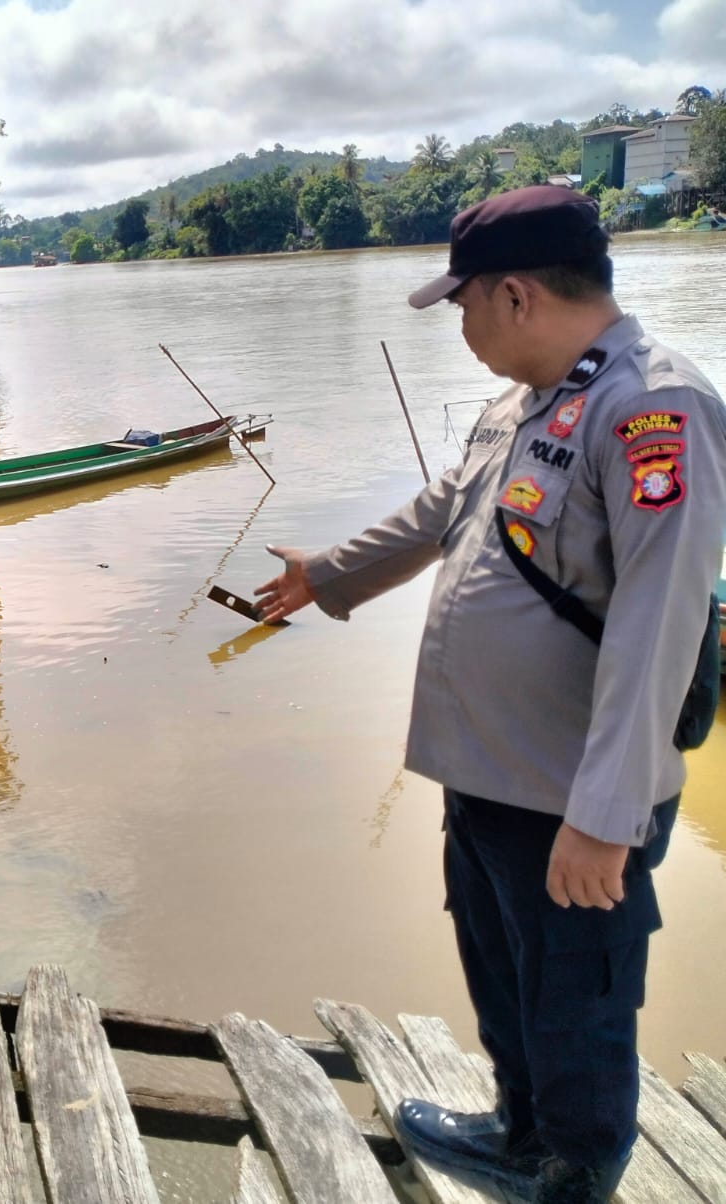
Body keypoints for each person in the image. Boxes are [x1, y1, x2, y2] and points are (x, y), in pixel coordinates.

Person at [256, 185, 726, 1203]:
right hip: (488, 770)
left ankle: (575, 1170)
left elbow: (659, 624)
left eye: (463, 304)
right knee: (504, 968)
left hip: (571, 790)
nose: (461, 326)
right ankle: (519, 1132)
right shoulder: (524, 400)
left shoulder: (654, 410)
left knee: (576, 991)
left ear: (515, 295)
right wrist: (327, 574)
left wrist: (604, 818)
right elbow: (447, 511)